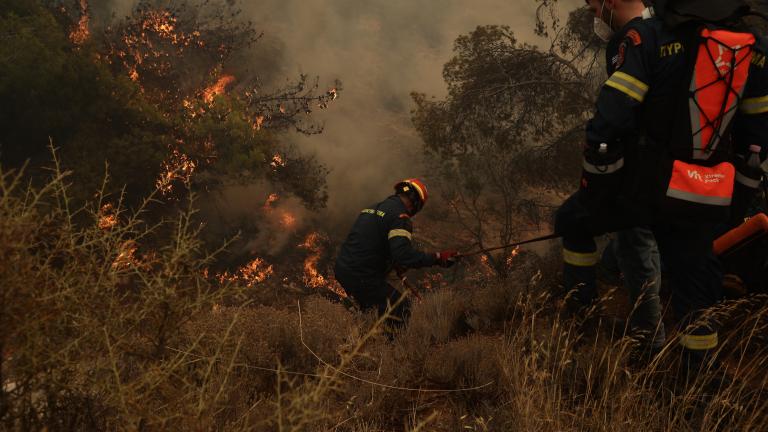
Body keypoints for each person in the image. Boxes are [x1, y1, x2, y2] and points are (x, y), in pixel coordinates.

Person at [558, 0, 768, 372]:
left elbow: (609, 124)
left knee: (572, 222)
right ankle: (699, 380)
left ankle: (582, 328)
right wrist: (731, 206)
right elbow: (757, 139)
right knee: (695, 282)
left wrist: (597, 194)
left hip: (642, 189)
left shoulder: (645, 38)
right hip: (702, 193)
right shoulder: (751, 46)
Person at [334, 178, 459, 329]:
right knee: (401, 308)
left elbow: (372, 242)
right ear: (416, 203)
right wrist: (438, 258)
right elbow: (404, 255)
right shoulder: (400, 218)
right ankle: (388, 344)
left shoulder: (371, 209)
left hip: (343, 269)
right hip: (363, 276)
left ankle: (359, 329)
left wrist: (393, 261)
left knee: (372, 310)